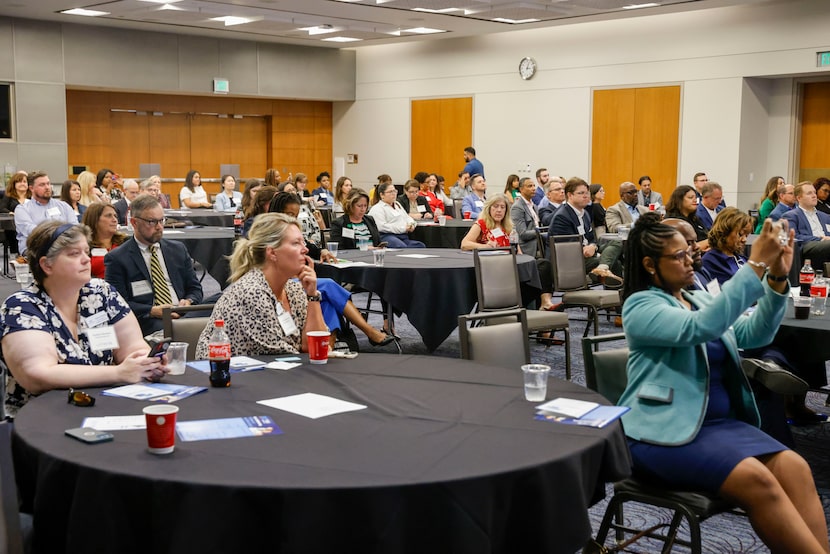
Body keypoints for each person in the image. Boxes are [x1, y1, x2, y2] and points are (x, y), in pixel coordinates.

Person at [619, 213, 829, 554]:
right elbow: (702, 327)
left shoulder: (698, 298)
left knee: (796, 467)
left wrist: (776, 277)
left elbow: (754, 333)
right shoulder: (640, 307)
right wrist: (757, 262)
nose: (690, 260)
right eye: (679, 255)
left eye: (690, 251)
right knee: (757, 479)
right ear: (649, 264)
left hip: (719, 426)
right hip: (662, 432)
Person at [1, 220, 168, 418]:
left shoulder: (100, 292)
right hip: (43, 419)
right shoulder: (22, 307)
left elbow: (133, 347)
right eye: (74, 254)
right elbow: (38, 375)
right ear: (46, 265)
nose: (86, 259)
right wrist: (119, 373)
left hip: (105, 409)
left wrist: (145, 362)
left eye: (86, 252)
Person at [703, 207, 826, 427]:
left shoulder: (739, 257)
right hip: (735, 318)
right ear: (724, 231)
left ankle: (794, 395)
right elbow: (726, 294)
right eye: (739, 234)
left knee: (800, 335)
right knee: (787, 337)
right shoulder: (713, 259)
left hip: (754, 309)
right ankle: (773, 368)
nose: (744, 239)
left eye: (746, 234)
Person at [268, 192, 395, 349]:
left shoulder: (292, 230)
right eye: (288, 214)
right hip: (281, 283)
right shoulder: (270, 233)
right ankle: (369, 331)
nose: (292, 219)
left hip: (297, 279)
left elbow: (308, 246)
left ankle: (329, 346)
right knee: (328, 285)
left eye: (295, 215)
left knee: (326, 300)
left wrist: (321, 251)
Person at [194, 213, 328, 358]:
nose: (305, 249)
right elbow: (286, 357)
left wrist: (312, 296)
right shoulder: (251, 293)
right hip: (227, 376)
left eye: (303, 242)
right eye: (296, 243)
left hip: (274, 375)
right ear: (272, 253)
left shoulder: (293, 290)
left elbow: (317, 348)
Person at [105, 194, 203, 336]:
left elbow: (195, 288)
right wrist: (152, 311)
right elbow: (118, 303)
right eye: (151, 222)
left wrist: (189, 301)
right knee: (173, 328)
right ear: (134, 223)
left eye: (161, 220)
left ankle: (183, 326)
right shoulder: (118, 258)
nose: (159, 227)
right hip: (151, 318)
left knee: (220, 299)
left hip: (182, 311)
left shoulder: (177, 249)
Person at [550, 177, 623, 282]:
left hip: (588, 252)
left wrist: (593, 246)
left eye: (587, 193)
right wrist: (587, 250)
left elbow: (592, 239)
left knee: (617, 241)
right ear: (570, 195)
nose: (586, 196)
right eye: (581, 193)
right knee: (615, 262)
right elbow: (565, 247)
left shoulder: (585, 214)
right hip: (571, 259)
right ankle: (609, 280)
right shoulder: (562, 216)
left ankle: (602, 268)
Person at [14, 170, 77, 254]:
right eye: (42, 185)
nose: (47, 187)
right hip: (36, 249)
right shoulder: (22, 209)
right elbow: (34, 233)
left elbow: (74, 227)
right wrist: (59, 233)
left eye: (48, 183)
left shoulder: (64, 206)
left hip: (63, 247)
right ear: (31, 188)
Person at [783, 181, 830, 271]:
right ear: (799, 198)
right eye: (809, 193)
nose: (814, 195)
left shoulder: (825, 216)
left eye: (814, 192)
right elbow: (794, 237)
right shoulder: (791, 216)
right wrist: (821, 239)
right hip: (807, 247)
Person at [367, 182, 425, 248]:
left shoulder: (397, 204)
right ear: (382, 195)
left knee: (420, 246)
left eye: (395, 191)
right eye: (390, 192)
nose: (394, 194)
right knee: (401, 247)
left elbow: (407, 217)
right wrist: (403, 228)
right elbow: (382, 227)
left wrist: (412, 224)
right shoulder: (378, 208)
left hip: (403, 236)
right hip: (387, 236)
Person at [82, 203, 128, 279]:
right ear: (94, 219)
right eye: (109, 216)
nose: (115, 220)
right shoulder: (84, 245)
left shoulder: (125, 242)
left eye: (115, 216)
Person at [511, 177, 543, 256]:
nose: (533, 188)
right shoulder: (517, 207)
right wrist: (541, 232)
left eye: (534, 186)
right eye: (529, 186)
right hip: (527, 248)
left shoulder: (534, 206)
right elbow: (522, 233)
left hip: (540, 244)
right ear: (521, 189)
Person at [0, 172, 29, 253]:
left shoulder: (32, 197)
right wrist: (11, 212)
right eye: (19, 182)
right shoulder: (9, 195)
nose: (22, 184)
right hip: (13, 227)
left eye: (24, 181)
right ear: (14, 184)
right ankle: (16, 255)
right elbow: (2, 208)